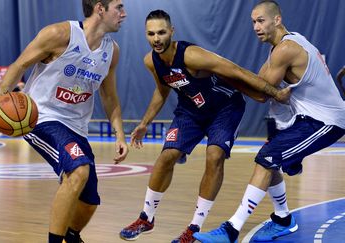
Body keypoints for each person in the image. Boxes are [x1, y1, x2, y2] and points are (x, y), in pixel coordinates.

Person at [119, 10, 289, 243]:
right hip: (190, 111)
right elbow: (162, 89)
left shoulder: (192, 56)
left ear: (171, 31)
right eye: (151, 34)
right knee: (167, 155)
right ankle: (146, 218)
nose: (156, 38)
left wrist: (274, 92)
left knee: (214, 155)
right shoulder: (151, 61)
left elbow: (236, 71)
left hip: (224, 109)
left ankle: (194, 227)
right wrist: (144, 123)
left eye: (161, 32)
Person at [193, 1, 345, 242]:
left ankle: (232, 229)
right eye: (253, 22)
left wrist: (221, 71)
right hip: (306, 119)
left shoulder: (286, 49)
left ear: (277, 20)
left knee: (267, 158)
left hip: (326, 121)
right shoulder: (285, 44)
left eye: (261, 20)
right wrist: (229, 73)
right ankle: (283, 219)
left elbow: (260, 93)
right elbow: (259, 84)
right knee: (269, 157)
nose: (255, 26)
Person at [0, 1, 128, 242]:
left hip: (77, 126)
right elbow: (20, 64)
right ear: (100, 8)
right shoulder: (60, 34)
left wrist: (119, 134)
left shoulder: (112, 50)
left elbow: (110, 96)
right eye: (118, 7)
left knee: (89, 200)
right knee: (78, 170)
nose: (124, 14)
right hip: (42, 117)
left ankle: (71, 234)